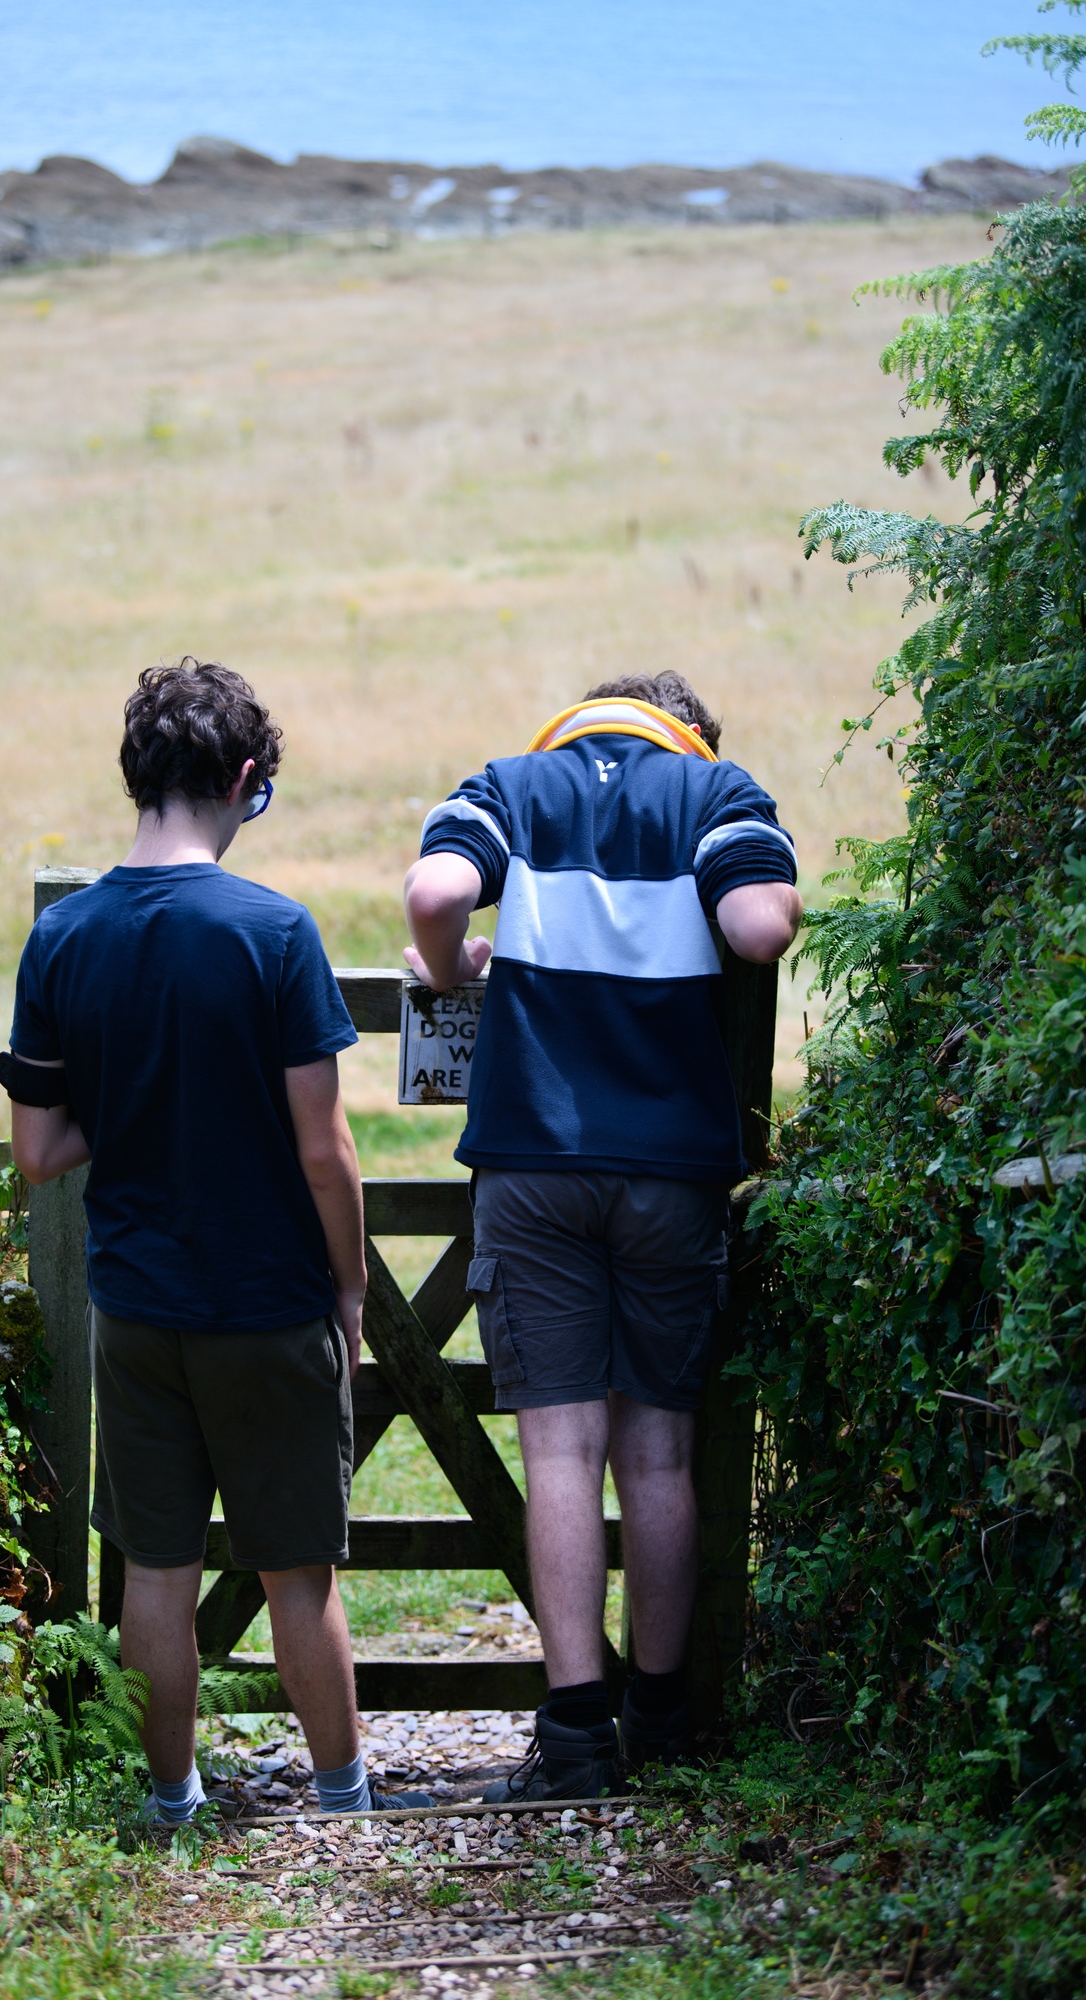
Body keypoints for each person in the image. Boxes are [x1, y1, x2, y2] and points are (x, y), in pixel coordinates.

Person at [0, 658, 430, 1824]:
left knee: (156, 1568)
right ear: (243, 778)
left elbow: (37, 1149)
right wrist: (349, 1286)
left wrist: (135, 1098)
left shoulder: (64, 937)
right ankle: (341, 1795)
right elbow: (324, 1148)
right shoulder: (272, 932)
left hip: (137, 1306)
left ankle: (170, 1800)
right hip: (266, 1299)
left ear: (137, 775)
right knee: (296, 1569)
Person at [403, 671, 801, 1800]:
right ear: (690, 734)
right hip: (672, 1167)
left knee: (560, 1454)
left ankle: (577, 1738)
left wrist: (452, 967)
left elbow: (435, 890)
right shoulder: (715, 791)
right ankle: (662, 1719)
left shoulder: (512, 786)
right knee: (658, 1453)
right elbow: (758, 928)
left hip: (533, 1158)